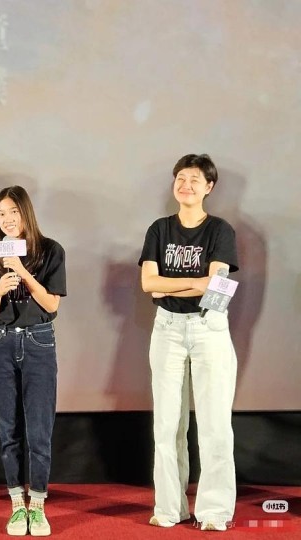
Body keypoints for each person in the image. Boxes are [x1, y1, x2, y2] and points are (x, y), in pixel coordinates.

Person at [139, 154, 238, 532]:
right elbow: (148, 283)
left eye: (195, 179)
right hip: (167, 328)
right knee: (167, 425)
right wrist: (196, 282)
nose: (186, 185)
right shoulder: (159, 229)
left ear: (209, 187)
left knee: (215, 424)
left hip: (208, 327)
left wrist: (170, 285)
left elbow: (217, 287)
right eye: (181, 178)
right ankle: (169, 507)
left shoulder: (220, 231)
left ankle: (214, 511)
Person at [0, 186, 66, 537]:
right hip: (1, 341)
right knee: (9, 428)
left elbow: (52, 304)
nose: (7, 219)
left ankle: (37, 505)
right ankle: (16, 504)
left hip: (39, 341)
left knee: (39, 429)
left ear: (26, 213)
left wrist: (24, 273)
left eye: (13, 212)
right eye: (1, 214)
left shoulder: (50, 250)